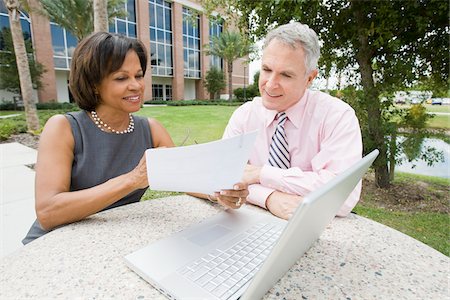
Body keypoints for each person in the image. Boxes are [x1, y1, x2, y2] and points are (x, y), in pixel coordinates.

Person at [23, 32, 248, 244]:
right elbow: (48, 212)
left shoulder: (151, 129)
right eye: (121, 78)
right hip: (54, 243)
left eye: (138, 75)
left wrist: (220, 193)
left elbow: (186, 179)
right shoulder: (64, 128)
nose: (136, 86)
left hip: (109, 240)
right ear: (94, 85)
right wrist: (132, 179)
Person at [223, 22, 362, 220]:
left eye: (286, 75)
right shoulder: (244, 116)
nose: (270, 84)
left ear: (309, 78)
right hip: (248, 220)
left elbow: (342, 197)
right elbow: (226, 180)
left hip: (315, 226)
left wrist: (262, 174)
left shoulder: (337, 116)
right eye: (266, 69)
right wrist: (270, 197)